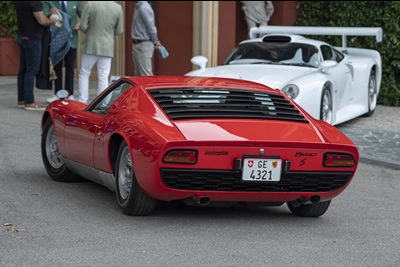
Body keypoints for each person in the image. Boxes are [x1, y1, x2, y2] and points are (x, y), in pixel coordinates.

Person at [77, 1, 123, 104]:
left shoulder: (90, 4)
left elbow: (83, 25)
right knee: (103, 76)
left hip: (91, 44)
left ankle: (82, 100)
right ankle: (102, 103)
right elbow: (118, 30)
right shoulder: (117, 7)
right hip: (107, 46)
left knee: (84, 73)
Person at [14, 1, 57, 110]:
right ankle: (29, 102)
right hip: (33, 38)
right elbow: (41, 21)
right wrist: (52, 20)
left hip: (22, 36)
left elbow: (26, 16)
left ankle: (22, 99)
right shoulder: (35, 2)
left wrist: (47, 15)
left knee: (23, 70)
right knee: (32, 70)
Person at [43, 1, 83, 103]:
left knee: (70, 67)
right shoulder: (49, 2)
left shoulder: (76, 2)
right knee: (57, 67)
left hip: (71, 39)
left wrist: (80, 24)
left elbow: (83, 15)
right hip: (57, 39)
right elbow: (43, 16)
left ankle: (70, 94)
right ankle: (58, 93)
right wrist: (49, 14)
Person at [131, 1, 162, 76]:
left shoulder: (144, 7)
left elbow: (151, 27)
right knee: (138, 76)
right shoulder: (139, 6)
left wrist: (155, 42)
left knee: (146, 75)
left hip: (144, 44)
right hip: (138, 43)